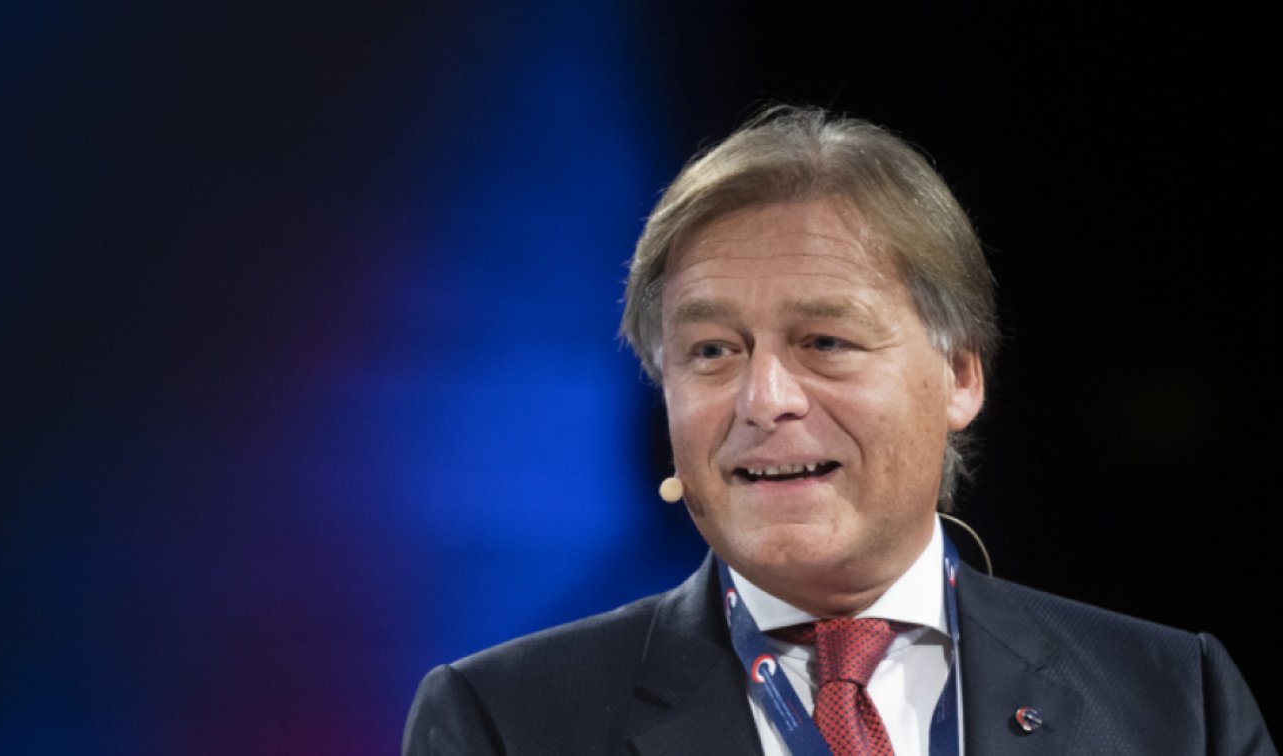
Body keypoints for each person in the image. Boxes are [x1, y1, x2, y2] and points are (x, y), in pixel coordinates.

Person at [401, 106, 1275, 755]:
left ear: (959, 376)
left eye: (824, 342)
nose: (764, 399)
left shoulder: (1173, 703)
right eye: (712, 351)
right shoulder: (505, 723)